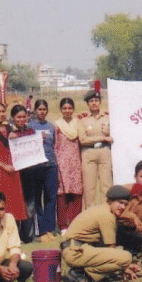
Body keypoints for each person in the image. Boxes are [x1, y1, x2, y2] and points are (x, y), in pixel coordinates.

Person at [61, 185, 142, 282]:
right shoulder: (107, 215)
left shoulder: (102, 209)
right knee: (126, 257)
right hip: (75, 252)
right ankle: (79, 273)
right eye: (120, 203)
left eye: (125, 204)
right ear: (110, 201)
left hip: (76, 250)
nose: (123, 207)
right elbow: (112, 249)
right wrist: (126, 266)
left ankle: (84, 274)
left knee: (122, 257)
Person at [0, 102, 28, 225]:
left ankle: (13, 231)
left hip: (13, 168)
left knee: (14, 200)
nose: (1, 114)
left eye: (3, 111)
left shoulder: (9, 128)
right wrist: (3, 166)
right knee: (1, 200)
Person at [27, 99, 59, 242]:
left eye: (44, 109)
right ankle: (40, 228)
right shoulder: (29, 126)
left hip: (50, 165)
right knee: (37, 198)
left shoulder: (51, 126)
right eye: (39, 109)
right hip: (36, 167)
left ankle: (49, 227)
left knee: (51, 197)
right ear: (35, 110)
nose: (42, 112)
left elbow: (55, 145)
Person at [78, 82, 113, 208]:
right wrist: (103, 138)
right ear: (87, 103)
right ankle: (90, 215)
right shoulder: (82, 119)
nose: (94, 103)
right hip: (89, 153)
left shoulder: (108, 117)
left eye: (96, 100)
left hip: (104, 152)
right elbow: (83, 140)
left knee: (106, 185)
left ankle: (107, 212)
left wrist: (104, 139)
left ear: (100, 102)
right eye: (91, 101)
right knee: (89, 187)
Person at [9, 104, 39, 243]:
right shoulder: (8, 132)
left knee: (29, 205)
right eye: (18, 117)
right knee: (15, 204)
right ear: (13, 118)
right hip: (14, 175)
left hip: (30, 174)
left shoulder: (31, 131)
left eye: (23, 117)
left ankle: (27, 235)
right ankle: (14, 236)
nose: (21, 119)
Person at [54, 97, 83, 231]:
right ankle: (62, 225)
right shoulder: (57, 125)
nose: (67, 111)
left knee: (76, 193)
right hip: (62, 162)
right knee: (62, 193)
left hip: (76, 162)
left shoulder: (78, 123)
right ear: (61, 110)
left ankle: (75, 223)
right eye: (64, 108)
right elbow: (55, 145)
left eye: (70, 108)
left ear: (73, 109)